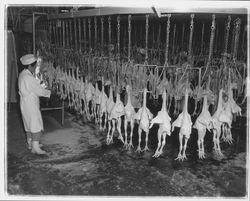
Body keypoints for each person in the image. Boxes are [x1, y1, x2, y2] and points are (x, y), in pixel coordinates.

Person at [18, 54, 51, 155]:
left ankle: (31, 143)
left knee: (28, 125)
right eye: (35, 65)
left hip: (25, 103)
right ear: (29, 66)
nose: (36, 67)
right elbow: (38, 90)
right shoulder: (28, 77)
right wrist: (48, 92)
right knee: (35, 125)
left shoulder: (23, 74)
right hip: (30, 104)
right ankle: (35, 148)